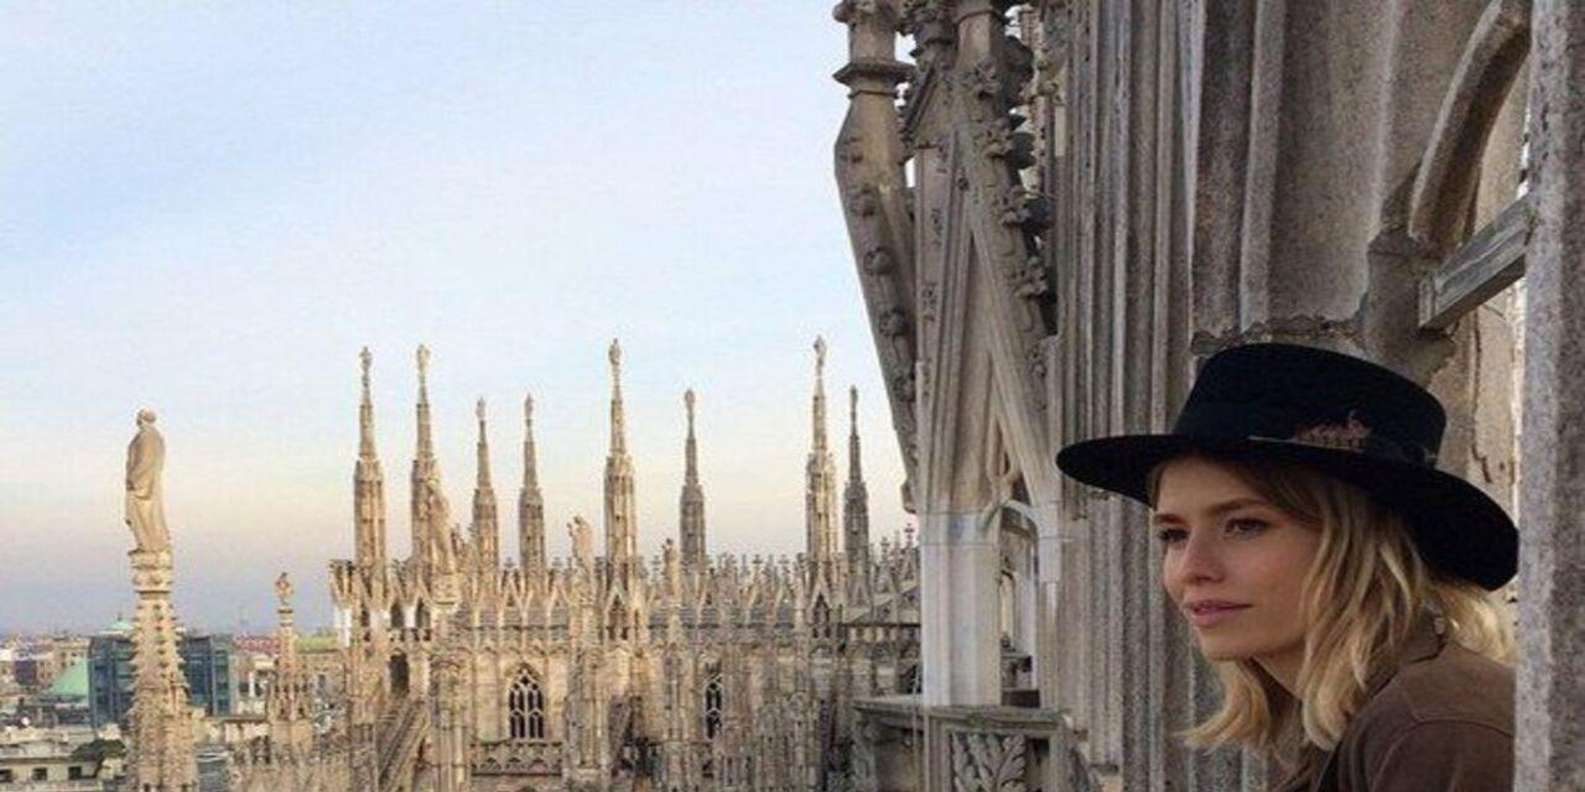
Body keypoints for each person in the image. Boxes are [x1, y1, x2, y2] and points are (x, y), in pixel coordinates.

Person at [1056, 343, 1517, 791]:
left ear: (1365, 546)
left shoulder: (1436, 728)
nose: (1191, 569)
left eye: (1245, 525)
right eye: (1173, 534)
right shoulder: (1350, 715)